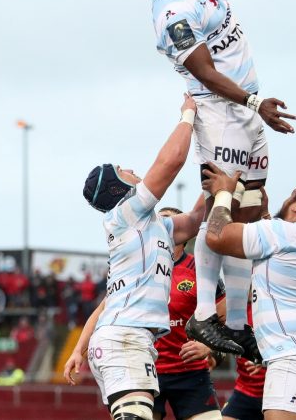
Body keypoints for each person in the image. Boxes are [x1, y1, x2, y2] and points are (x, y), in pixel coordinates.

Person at [129, 0, 296, 355]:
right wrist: (256, 99)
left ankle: (239, 322)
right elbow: (203, 70)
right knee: (219, 207)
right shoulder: (171, 15)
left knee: (249, 212)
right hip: (222, 112)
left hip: (247, 113)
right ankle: (204, 314)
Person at [64, 95, 208, 420]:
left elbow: (198, 217)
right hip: (124, 337)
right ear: (117, 188)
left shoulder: (152, 224)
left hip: (132, 338)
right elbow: (169, 164)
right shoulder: (125, 213)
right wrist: (189, 114)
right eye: (123, 170)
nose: (132, 169)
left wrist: (223, 165)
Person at [203, 166, 296, 420]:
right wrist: (264, 216)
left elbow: (216, 237)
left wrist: (223, 194)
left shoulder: (280, 234)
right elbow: (278, 246)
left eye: (289, 198)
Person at [152, 209, 225, 420]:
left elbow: (228, 319)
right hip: (146, 371)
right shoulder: (140, 266)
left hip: (190, 373)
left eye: (169, 219)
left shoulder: (200, 269)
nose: (163, 223)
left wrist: (208, 346)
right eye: (160, 219)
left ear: (184, 233)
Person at [222, 304, 266, 420]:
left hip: (273, 392)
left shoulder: (269, 308)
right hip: (245, 390)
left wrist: (264, 359)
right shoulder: (233, 309)